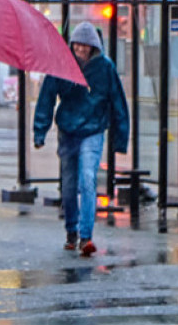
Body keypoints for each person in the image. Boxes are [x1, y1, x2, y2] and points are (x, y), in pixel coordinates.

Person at [33, 22, 129, 258]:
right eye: (77, 44)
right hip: (69, 131)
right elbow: (46, 97)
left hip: (93, 131)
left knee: (87, 179)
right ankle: (71, 232)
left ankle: (86, 236)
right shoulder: (62, 65)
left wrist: (120, 138)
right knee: (68, 185)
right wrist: (39, 131)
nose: (80, 49)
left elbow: (118, 103)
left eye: (84, 45)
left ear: (93, 46)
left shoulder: (105, 68)